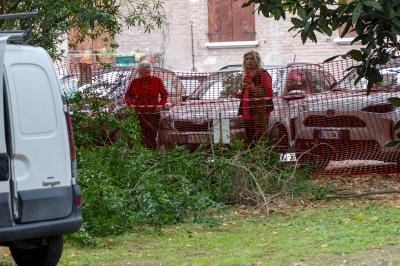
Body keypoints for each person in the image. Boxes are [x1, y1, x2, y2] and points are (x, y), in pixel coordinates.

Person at [124, 60, 168, 149]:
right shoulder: (135, 82)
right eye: (145, 69)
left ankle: (151, 154)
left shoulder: (157, 81)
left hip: (153, 113)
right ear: (140, 71)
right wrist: (131, 105)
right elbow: (127, 96)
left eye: (149, 68)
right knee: (139, 135)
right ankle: (138, 154)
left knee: (151, 135)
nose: (148, 70)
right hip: (138, 113)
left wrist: (161, 104)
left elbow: (164, 94)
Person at [238, 50, 273, 146]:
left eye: (252, 59)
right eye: (247, 59)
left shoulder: (263, 75)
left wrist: (253, 88)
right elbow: (247, 93)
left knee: (260, 140)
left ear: (257, 61)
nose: (249, 61)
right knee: (250, 141)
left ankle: (262, 158)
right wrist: (240, 95)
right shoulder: (247, 75)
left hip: (259, 113)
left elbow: (268, 93)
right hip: (246, 113)